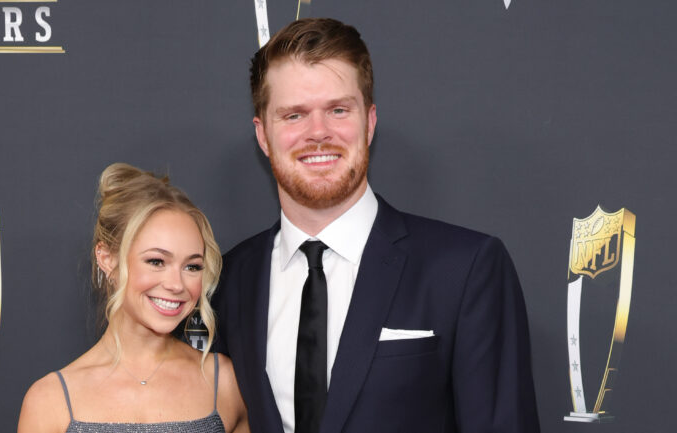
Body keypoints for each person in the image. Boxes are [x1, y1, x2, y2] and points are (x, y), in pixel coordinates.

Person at [212, 18, 540, 433]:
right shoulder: (228, 282)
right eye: (294, 115)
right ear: (263, 135)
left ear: (369, 122)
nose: (318, 133)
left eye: (338, 110)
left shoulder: (465, 269)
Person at [18, 163, 249, 433]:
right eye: (156, 261)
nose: (176, 285)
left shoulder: (226, 383)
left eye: (192, 266)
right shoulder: (50, 401)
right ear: (107, 260)